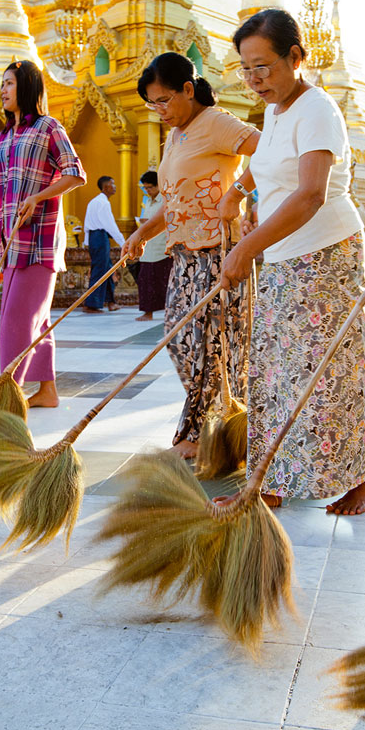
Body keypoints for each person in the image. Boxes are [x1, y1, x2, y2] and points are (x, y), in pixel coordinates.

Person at [209, 9, 365, 517]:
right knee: (275, 369)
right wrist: (239, 189)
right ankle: (270, 477)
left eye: (263, 66)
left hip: (325, 254)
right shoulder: (277, 111)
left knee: (329, 373)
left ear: (296, 58)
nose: (254, 79)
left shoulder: (317, 110)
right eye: (246, 69)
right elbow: (269, 165)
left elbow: (309, 194)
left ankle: (364, 481)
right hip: (284, 256)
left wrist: (245, 248)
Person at [122, 52, 259, 460]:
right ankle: (221, 424)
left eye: (164, 100)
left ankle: (203, 432)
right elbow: (172, 198)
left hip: (219, 252)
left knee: (211, 345)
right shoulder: (176, 135)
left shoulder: (215, 122)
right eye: (152, 104)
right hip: (184, 255)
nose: (159, 111)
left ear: (188, 89)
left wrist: (238, 192)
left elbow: (268, 149)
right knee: (182, 341)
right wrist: (143, 232)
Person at [0, 60, 85, 408]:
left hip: (40, 242)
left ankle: (8, 395)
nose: (2, 90)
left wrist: (39, 196)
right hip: (10, 241)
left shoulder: (49, 127)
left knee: (17, 317)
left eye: (9, 83)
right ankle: (47, 391)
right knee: (37, 320)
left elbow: (75, 174)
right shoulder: (4, 136)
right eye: (1, 84)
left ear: (27, 87)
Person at [83, 176, 125, 313]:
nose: (115, 187)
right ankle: (91, 304)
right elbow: (110, 225)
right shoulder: (103, 203)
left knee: (107, 269)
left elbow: (86, 225)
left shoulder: (94, 202)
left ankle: (111, 302)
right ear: (106, 187)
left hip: (95, 238)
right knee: (100, 271)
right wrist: (123, 243)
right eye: (112, 184)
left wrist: (86, 241)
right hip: (100, 237)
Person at [135, 170, 171, 321]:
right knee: (146, 282)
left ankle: (169, 311)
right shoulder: (148, 201)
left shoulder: (165, 200)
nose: (148, 190)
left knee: (164, 283)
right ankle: (147, 312)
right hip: (148, 249)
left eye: (150, 187)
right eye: (145, 188)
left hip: (161, 248)